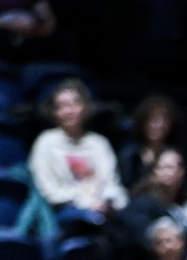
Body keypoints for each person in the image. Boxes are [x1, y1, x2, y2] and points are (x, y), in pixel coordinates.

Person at [28, 80, 126, 222]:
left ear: (85, 107)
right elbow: (48, 190)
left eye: (74, 104)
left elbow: (111, 182)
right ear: (54, 113)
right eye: (61, 107)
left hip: (102, 206)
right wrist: (85, 202)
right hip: (66, 210)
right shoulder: (46, 142)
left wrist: (107, 201)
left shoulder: (99, 143)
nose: (68, 111)